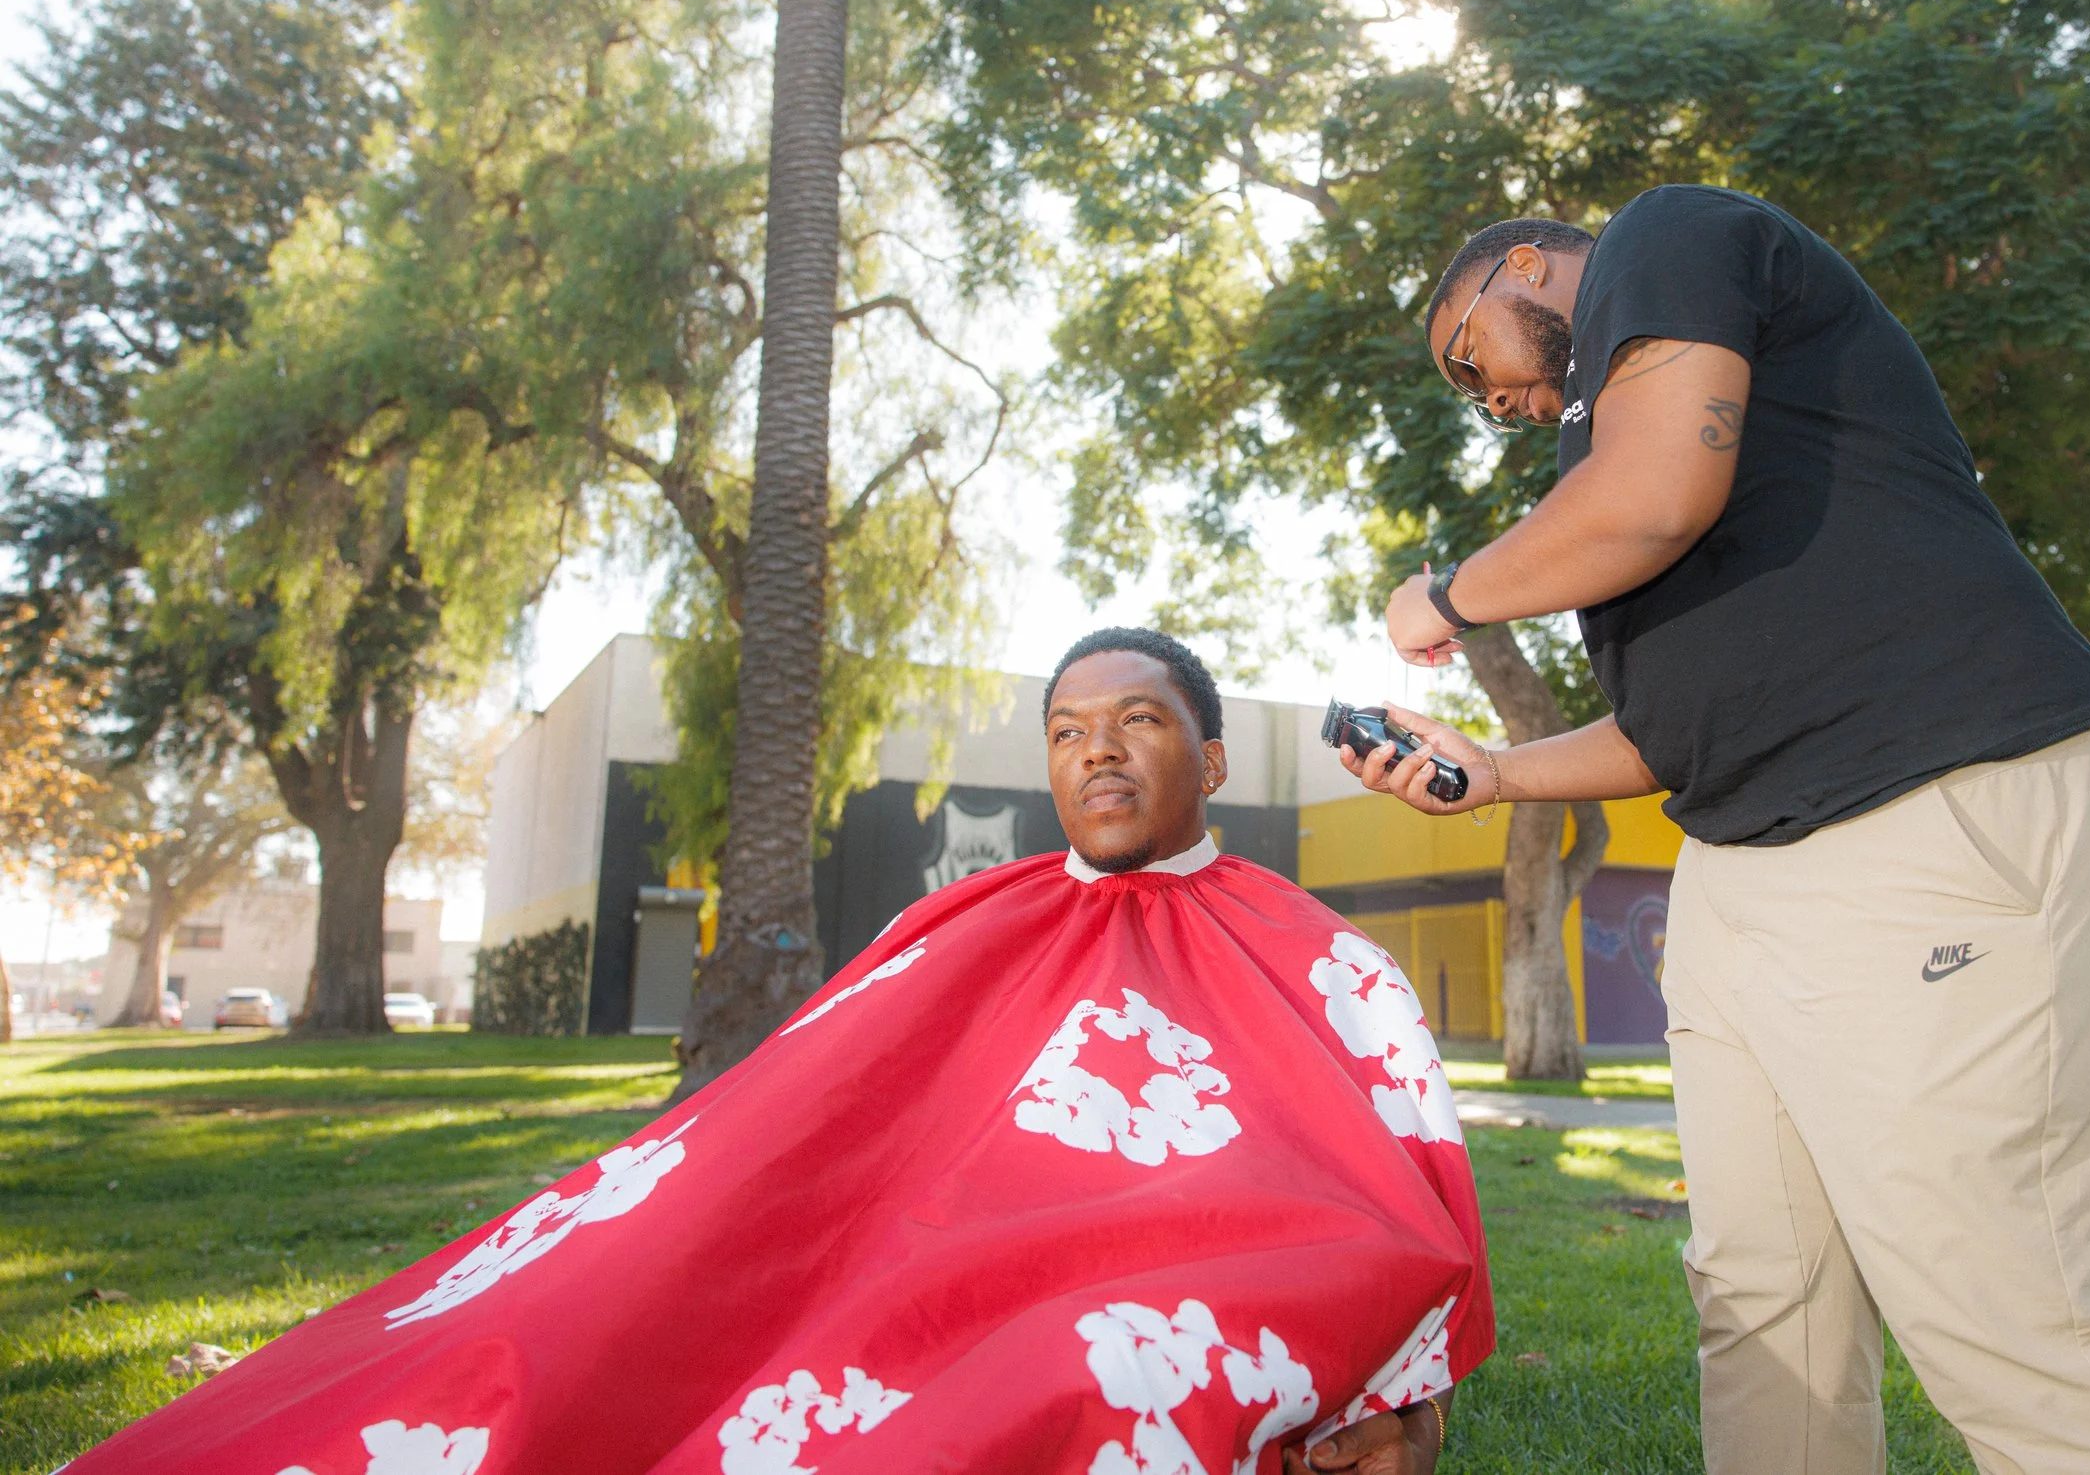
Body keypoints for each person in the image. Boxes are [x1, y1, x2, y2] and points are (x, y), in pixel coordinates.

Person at [67, 629, 1484, 1475]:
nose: (1097, 754)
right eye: (1067, 731)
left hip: (1169, 1286)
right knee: (568, 1320)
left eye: (1138, 724)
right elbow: (807, 1120)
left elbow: (1409, 1175)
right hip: (916, 1268)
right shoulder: (958, 921)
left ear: (1213, 760)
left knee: (1089, 1373)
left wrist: (1402, 1398)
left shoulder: (1316, 952)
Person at [1344, 187, 2090, 1473]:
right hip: (1747, 853)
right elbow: (1670, 728)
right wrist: (1494, 773)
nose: (1498, 404)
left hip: (1929, 789)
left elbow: (1655, 495)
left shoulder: (1667, 235)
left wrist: (1451, 597)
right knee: (1764, 1301)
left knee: (2013, 1309)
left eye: (1474, 360)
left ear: (1523, 262)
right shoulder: (1620, 448)